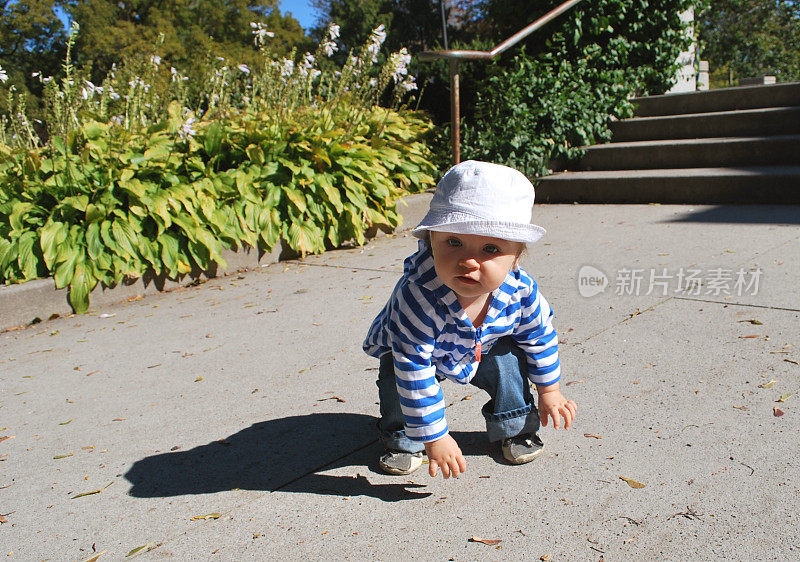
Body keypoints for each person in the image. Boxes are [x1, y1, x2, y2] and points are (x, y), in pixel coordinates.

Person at [363, 160, 577, 479]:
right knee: (397, 376)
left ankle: (515, 424)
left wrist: (550, 391)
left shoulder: (521, 293)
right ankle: (404, 438)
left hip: (483, 348)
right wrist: (435, 437)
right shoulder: (418, 297)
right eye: (454, 242)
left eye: (490, 248)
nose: (468, 260)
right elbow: (414, 367)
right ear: (430, 241)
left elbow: (540, 338)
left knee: (509, 360)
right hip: (417, 353)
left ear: (516, 255)